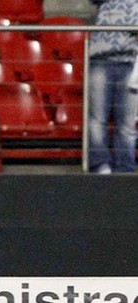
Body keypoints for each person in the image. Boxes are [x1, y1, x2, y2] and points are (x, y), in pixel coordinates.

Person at [87, 0, 138, 174]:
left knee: (127, 123)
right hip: (101, 58)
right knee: (97, 119)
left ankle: (125, 168)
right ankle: (101, 166)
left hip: (132, 61)